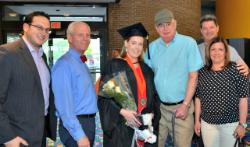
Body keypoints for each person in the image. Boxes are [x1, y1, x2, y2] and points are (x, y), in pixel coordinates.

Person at [144, 8, 203, 147]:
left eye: (168, 23)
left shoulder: (188, 43)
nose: (165, 28)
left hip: (182, 108)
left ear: (175, 23)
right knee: (154, 143)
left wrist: (185, 104)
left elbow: (193, 77)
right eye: (160, 25)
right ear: (156, 28)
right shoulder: (151, 48)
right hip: (160, 109)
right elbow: (146, 76)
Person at [98, 23, 161, 147]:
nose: (137, 47)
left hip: (143, 123)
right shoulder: (115, 66)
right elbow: (104, 98)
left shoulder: (147, 69)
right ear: (126, 44)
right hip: (121, 124)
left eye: (140, 44)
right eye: (133, 43)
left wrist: (152, 112)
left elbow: (154, 96)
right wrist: (122, 111)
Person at [0, 11, 57, 147]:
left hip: (39, 132)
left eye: (47, 29)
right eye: (39, 27)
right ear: (26, 27)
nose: (44, 32)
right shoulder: (7, 53)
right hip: (16, 136)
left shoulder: (41, 56)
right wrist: (8, 137)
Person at [194, 37, 249, 147]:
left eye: (220, 49)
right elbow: (198, 99)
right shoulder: (202, 72)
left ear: (225, 52)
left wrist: (242, 125)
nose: (216, 53)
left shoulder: (237, 70)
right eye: (213, 49)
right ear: (208, 52)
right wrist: (197, 121)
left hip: (230, 124)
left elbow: (243, 100)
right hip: (207, 124)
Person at [52, 21, 98, 147]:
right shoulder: (64, 65)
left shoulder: (80, 61)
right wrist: (79, 135)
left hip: (88, 122)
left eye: (88, 35)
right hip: (77, 125)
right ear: (70, 38)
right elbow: (64, 107)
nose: (85, 39)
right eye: (80, 35)